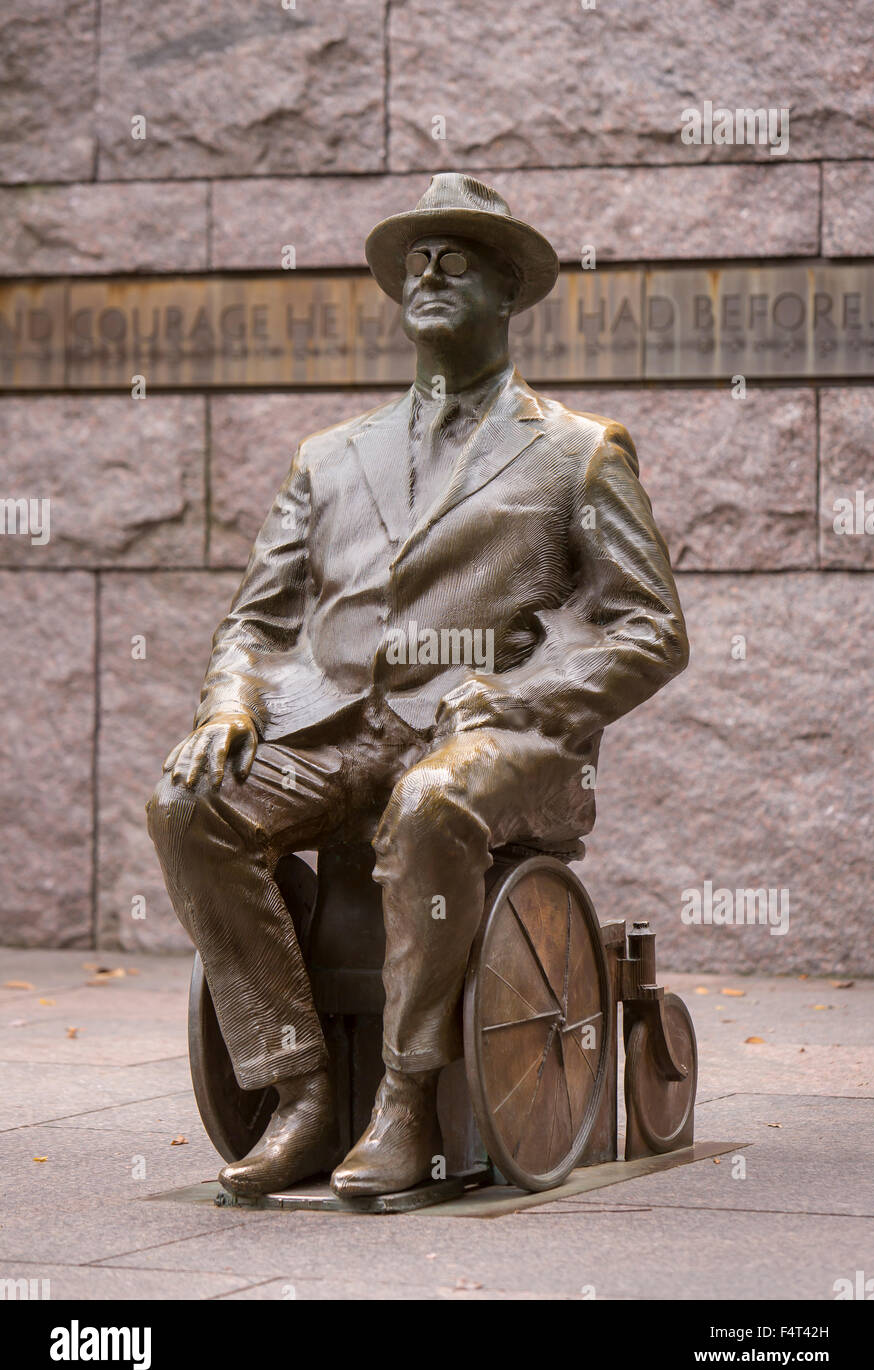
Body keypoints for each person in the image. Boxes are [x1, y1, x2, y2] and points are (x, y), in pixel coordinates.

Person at [147, 172, 689, 1198]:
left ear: (508, 293)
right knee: (188, 803)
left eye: (458, 260)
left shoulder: (577, 452)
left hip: (498, 736)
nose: (429, 274)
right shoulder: (330, 457)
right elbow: (255, 620)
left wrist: (525, 694)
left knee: (434, 797)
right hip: (335, 725)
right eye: (416, 264)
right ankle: (300, 1091)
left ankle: (404, 1097)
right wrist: (230, 704)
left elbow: (653, 627)